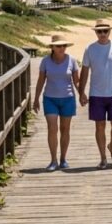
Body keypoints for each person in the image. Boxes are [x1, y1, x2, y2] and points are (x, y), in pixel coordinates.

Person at [78, 20, 112, 169]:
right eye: (99, 31)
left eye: (105, 31)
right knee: (100, 126)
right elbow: (84, 72)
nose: (102, 34)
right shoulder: (90, 49)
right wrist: (81, 92)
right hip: (96, 94)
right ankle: (103, 158)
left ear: (109, 31)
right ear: (95, 32)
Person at [32, 34, 81, 171]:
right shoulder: (45, 61)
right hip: (50, 99)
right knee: (52, 128)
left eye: (64, 45)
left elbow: (76, 81)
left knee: (65, 129)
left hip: (68, 99)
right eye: (59, 46)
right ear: (52, 47)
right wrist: (36, 99)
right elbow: (40, 81)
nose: (62, 48)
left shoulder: (72, 60)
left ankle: (63, 159)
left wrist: (82, 94)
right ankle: (53, 160)